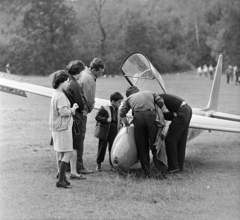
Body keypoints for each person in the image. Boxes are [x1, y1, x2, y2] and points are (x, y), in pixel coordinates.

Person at [120, 86, 169, 178]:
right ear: (138, 91)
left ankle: (146, 173)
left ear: (129, 95)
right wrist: (164, 111)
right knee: (156, 144)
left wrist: (126, 123)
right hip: (151, 115)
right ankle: (160, 173)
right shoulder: (150, 92)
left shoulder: (129, 99)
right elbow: (160, 102)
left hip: (138, 117)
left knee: (142, 146)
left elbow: (122, 112)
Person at [49, 70, 79, 188]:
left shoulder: (56, 93)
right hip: (62, 128)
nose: (68, 83)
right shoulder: (61, 96)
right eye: (67, 81)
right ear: (61, 83)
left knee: (61, 153)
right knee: (68, 152)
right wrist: (73, 109)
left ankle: (63, 178)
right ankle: (61, 180)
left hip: (57, 127)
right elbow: (64, 112)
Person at [77, 58, 105, 174]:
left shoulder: (82, 74)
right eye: (99, 72)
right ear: (93, 69)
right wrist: (89, 109)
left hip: (75, 111)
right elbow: (89, 99)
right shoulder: (90, 79)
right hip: (81, 112)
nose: (100, 75)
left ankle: (71, 164)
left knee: (75, 139)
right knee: (80, 139)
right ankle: (79, 166)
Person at [64, 60, 87, 179]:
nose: (82, 74)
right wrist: (82, 109)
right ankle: (74, 171)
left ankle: (67, 170)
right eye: (81, 72)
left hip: (69, 117)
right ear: (77, 72)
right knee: (75, 146)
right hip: (76, 118)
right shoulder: (75, 84)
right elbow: (80, 102)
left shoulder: (68, 82)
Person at [158, 93, 192, 173]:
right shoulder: (156, 96)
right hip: (187, 109)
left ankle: (173, 168)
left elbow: (164, 113)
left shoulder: (154, 100)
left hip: (181, 111)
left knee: (170, 140)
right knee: (181, 141)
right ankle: (179, 168)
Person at [94, 92, 124, 172]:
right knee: (102, 148)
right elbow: (97, 117)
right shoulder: (104, 108)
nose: (120, 104)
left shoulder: (118, 109)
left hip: (114, 131)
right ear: (113, 101)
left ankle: (112, 164)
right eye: (119, 102)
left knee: (112, 148)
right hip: (105, 131)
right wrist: (106, 120)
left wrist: (121, 124)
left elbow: (120, 119)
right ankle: (99, 164)